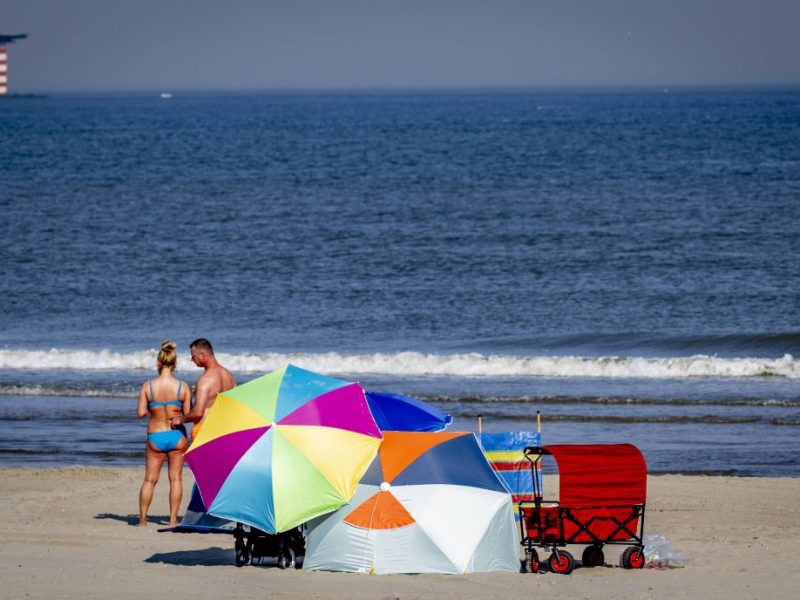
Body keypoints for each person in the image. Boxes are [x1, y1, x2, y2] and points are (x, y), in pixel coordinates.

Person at [137, 340, 192, 527]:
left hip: (155, 436)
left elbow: (141, 413)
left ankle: (143, 520)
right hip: (176, 436)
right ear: (174, 364)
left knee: (150, 480)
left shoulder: (148, 386)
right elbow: (187, 414)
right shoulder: (182, 387)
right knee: (175, 478)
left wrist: (155, 408)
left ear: (158, 363)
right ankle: (173, 519)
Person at [171, 338, 235, 443]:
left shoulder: (205, 380)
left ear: (202, 355)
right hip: (225, 431)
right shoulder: (229, 375)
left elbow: (198, 413)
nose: (192, 360)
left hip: (205, 432)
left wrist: (180, 419)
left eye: (193, 356)